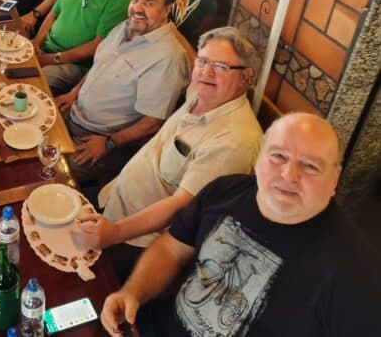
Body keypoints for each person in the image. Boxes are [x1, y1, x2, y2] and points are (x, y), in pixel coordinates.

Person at [101, 113, 381, 337]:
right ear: (259, 159)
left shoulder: (357, 273)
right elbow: (172, 250)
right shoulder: (223, 191)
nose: (289, 174)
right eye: (278, 156)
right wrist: (132, 293)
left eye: (310, 166)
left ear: (334, 179)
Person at [74, 26, 262, 281]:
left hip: (136, 241)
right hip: (113, 196)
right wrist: (174, 31)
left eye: (221, 67)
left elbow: (181, 207)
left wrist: (115, 233)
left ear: (247, 77)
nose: (206, 71)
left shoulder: (234, 141)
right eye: (203, 61)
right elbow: (196, 60)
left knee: (72, 285)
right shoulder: (201, 91)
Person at [55, 0, 191, 188]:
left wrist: (109, 143)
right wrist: (75, 92)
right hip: (73, 113)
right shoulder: (124, 27)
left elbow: (152, 123)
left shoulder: (167, 58)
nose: (137, 8)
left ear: (166, 10)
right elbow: (100, 66)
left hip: (97, 140)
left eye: (149, 3)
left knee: (49, 174)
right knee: (27, 132)